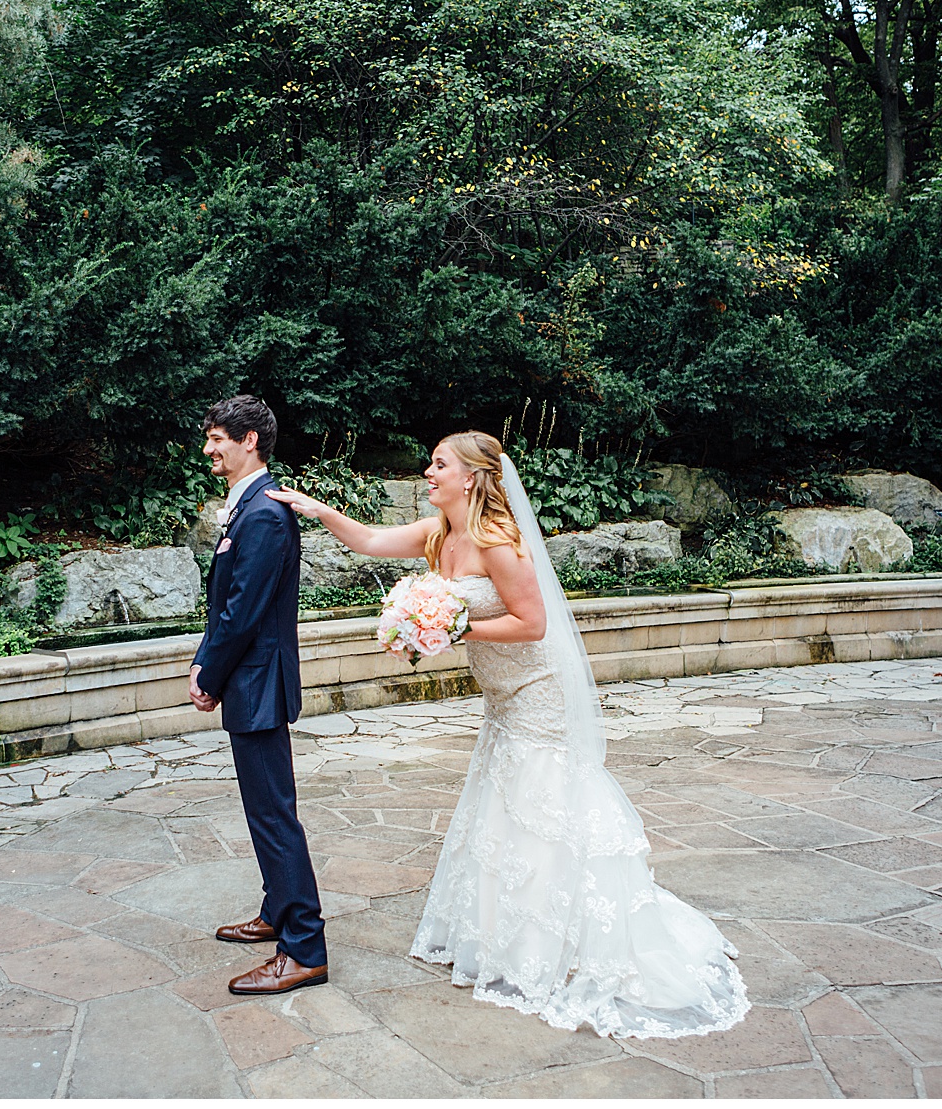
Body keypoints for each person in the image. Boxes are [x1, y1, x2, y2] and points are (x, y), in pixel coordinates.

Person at [266, 430, 750, 1039]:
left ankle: (562, 939)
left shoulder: (499, 542)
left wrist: (455, 629)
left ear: (470, 477)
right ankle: (509, 935)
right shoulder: (438, 532)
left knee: (544, 805)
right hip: (500, 697)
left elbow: (534, 622)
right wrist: (318, 510)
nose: (427, 472)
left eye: (438, 464)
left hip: (535, 694)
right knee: (504, 806)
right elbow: (368, 540)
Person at [190, 395, 329, 996]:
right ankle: (277, 913)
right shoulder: (248, 507)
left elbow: (243, 609)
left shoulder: (266, 514)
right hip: (248, 677)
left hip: (257, 680)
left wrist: (208, 673)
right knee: (264, 810)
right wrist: (207, 661)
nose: (208, 448)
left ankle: (304, 948)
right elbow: (230, 603)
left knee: (274, 814)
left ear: (250, 441)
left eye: (218, 437)